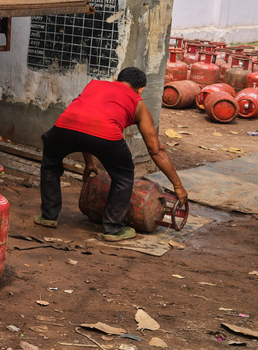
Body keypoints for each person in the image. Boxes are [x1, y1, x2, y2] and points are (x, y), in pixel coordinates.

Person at [35, 66, 189, 241]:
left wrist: (90, 163)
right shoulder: (138, 102)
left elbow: (85, 123)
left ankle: (48, 216)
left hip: (64, 127)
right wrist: (178, 186)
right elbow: (155, 150)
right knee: (123, 175)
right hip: (105, 134)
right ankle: (113, 228)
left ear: (117, 79)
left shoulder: (94, 85)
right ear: (141, 89)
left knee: (50, 165)